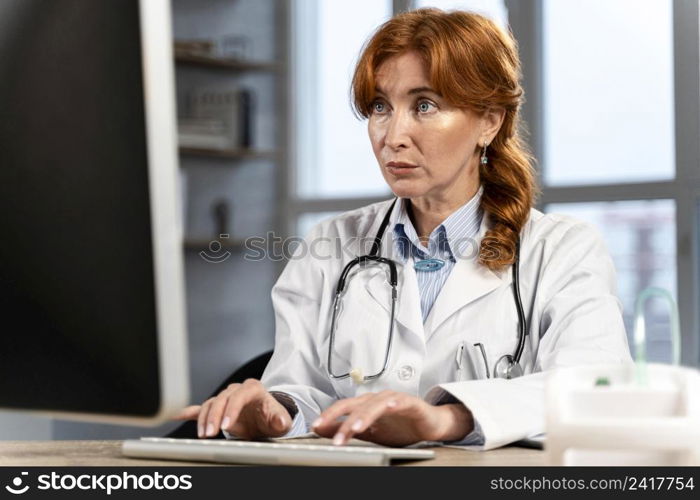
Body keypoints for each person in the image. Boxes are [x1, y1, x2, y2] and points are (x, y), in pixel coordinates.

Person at [175, 8, 631, 450]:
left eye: (425, 105)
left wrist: (446, 417)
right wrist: (274, 413)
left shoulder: (564, 250)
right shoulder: (330, 244)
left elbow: (595, 386)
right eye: (379, 106)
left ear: (489, 121)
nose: (392, 135)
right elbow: (300, 388)